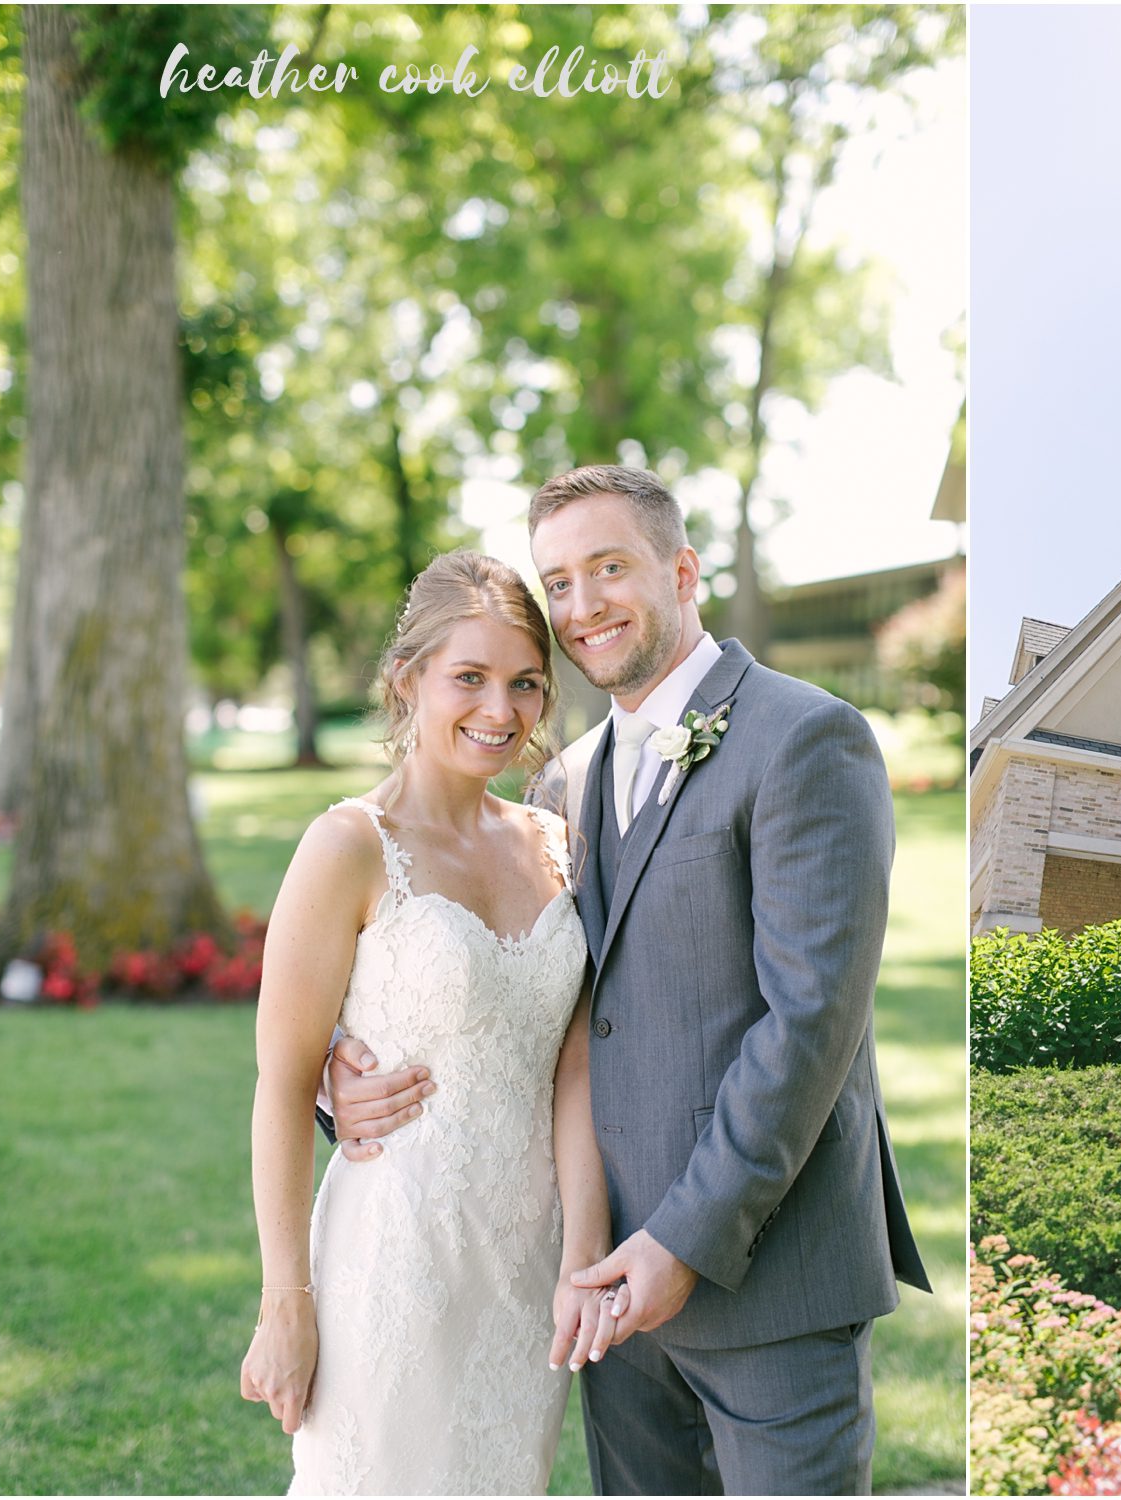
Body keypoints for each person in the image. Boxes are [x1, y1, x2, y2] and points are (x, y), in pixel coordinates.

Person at [328, 465, 929, 1495]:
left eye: (609, 568)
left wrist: (681, 1242)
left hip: (768, 1278)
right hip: (603, 1282)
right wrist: (341, 1081)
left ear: (682, 570)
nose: (582, 605)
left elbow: (809, 1023)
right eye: (558, 582)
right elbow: (532, 1009)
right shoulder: (566, 778)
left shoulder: (805, 738)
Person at [240, 552, 621, 1493]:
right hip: (395, 1257)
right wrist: (284, 1302)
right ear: (406, 680)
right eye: (470, 678)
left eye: (526, 683)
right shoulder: (347, 847)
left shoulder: (557, 842)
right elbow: (286, 1083)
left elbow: (572, 1062)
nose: (501, 710)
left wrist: (584, 1244)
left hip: (524, 1270)